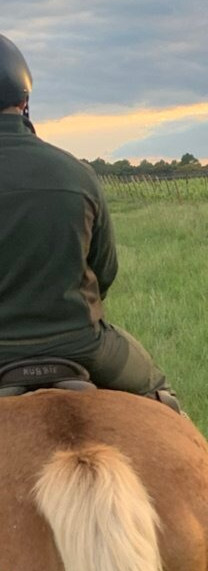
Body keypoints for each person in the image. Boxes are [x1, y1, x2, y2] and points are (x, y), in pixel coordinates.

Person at [0, 33, 182, 412]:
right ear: (25, 100)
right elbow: (105, 271)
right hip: (84, 346)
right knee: (161, 396)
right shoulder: (77, 174)